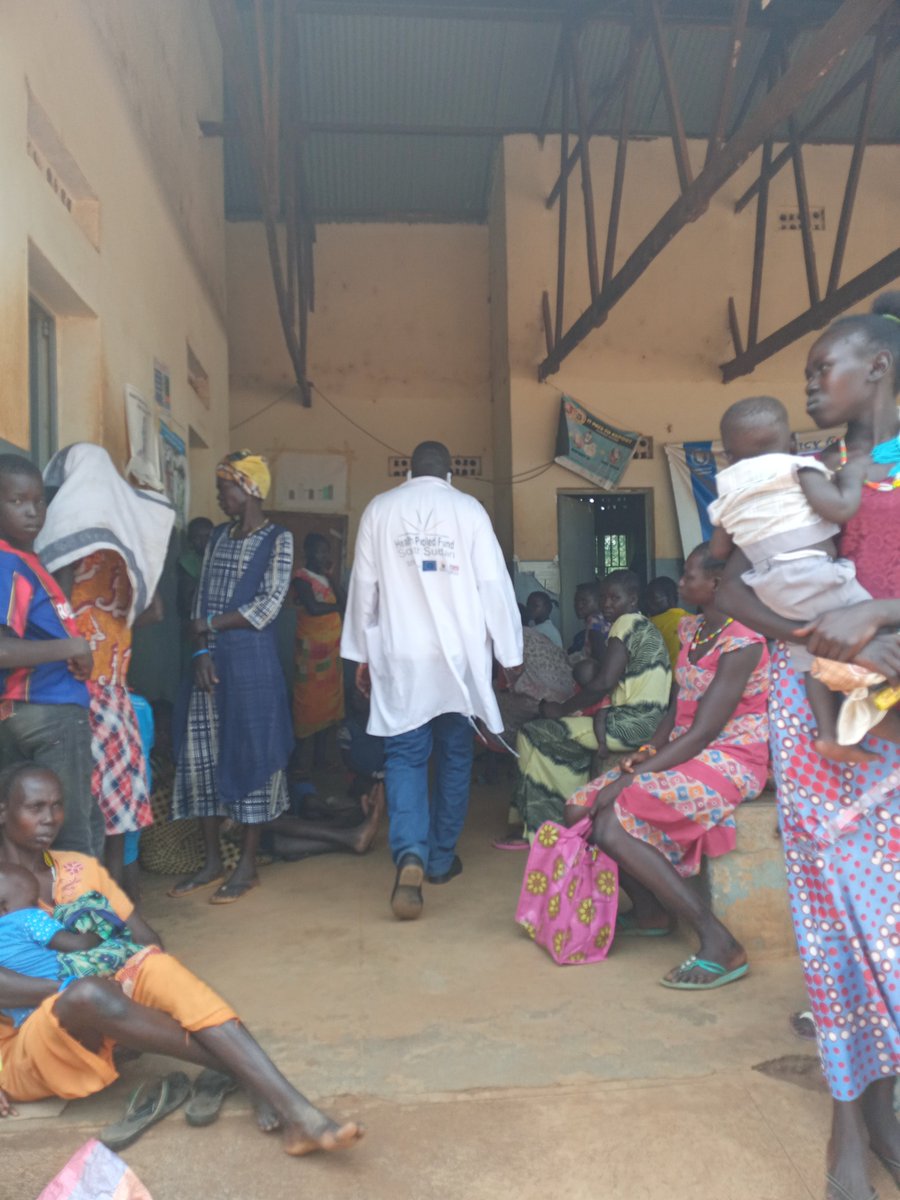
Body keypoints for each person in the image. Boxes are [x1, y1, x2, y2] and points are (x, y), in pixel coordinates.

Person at [716, 293, 900, 1200]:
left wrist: (877, 612)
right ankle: (850, 1123)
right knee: (832, 917)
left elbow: (875, 600)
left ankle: (880, 1109)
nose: (809, 387)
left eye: (821, 368)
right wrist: (805, 637)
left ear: (876, 367)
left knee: (890, 922)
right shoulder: (808, 471)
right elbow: (726, 584)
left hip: (895, 708)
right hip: (818, 708)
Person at [0, 762, 362, 1155]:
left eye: (56, 806)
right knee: (89, 994)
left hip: (103, 1009)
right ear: (4, 810)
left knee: (154, 963)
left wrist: (125, 975)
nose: (49, 818)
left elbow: (146, 940)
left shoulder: (78, 869)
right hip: (25, 1046)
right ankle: (251, 1077)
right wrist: (95, 985)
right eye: (34, 807)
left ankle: (300, 1114)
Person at [563, 546, 768, 985]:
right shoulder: (694, 629)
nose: (679, 583)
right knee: (578, 807)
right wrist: (649, 752)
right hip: (685, 747)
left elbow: (704, 732)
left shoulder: (744, 642)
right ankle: (653, 911)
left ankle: (719, 942)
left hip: (731, 757)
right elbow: (678, 710)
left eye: (689, 576)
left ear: (716, 584)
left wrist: (632, 779)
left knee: (610, 820)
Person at [341, 440, 522, 920]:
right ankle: (441, 860)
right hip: (459, 661)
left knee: (405, 756)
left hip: (401, 657)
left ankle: (411, 856)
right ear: (448, 476)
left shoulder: (380, 509)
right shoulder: (469, 510)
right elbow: (492, 584)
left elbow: (365, 587)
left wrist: (361, 655)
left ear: (407, 472)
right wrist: (509, 653)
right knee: (456, 754)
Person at [708, 395, 896, 764]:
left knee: (813, 658)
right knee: (881, 635)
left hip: (769, 588)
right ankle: (878, 712)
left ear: (729, 456)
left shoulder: (729, 488)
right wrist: (852, 478)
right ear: (793, 443)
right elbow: (839, 508)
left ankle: (828, 734)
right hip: (818, 574)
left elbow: (718, 551)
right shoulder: (800, 469)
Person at [36, 444, 173, 888]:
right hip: (117, 699)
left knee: (81, 820)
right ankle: (122, 917)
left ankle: (95, 917)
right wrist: (116, 620)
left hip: (77, 695)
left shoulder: (65, 542)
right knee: (118, 820)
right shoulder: (121, 546)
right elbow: (154, 611)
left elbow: (52, 612)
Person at [169, 452, 294, 905]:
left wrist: (209, 628)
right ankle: (211, 861)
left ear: (250, 489)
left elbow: (268, 604)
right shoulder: (219, 537)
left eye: (226, 487)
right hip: (210, 663)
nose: (221, 496)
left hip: (252, 666)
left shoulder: (279, 539)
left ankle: (247, 865)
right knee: (203, 756)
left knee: (255, 756)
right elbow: (200, 599)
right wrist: (201, 648)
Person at [513, 570, 671, 839]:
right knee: (554, 738)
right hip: (649, 722)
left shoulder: (625, 624)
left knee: (531, 734)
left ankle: (543, 827)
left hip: (630, 725)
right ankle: (552, 812)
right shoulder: (644, 625)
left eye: (614, 598)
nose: (607, 604)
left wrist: (560, 709)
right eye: (603, 598)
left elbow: (602, 683)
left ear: (632, 600)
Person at [0, 454, 97, 856]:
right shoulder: (7, 563)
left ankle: (35, 918)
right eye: (18, 501)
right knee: (72, 835)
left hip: (28, 712)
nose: (32, 511)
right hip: (48, 711)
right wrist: (73, 646)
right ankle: (83, 919)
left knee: (24, 842)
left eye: (39, 502)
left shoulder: (26, 562)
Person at [292, 533, 345, 771]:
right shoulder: (301, 578)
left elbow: (344, 600)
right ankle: (299, 761)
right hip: (311, 654)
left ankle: (320, 759)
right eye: (319, 551)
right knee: (308, 704)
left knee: (328, 707)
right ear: (308, 552)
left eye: (326, 552)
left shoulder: (325, 578)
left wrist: (332, 577)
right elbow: (313, 608)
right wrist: (337, 607)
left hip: (330, 654)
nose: (323, 556)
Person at [644, 576, 688, 671]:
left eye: (654, 598)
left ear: (669, 598)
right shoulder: (693, 619)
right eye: (646, 598)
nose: (648, 603)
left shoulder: (650, 624)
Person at [176, 517, 214, 626]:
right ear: (190, 540)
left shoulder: (217, 557)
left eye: (208, 536)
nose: (204, 541)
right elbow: (188, 602)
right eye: (198, 537)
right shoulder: (188, 561)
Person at [569, 580, 609, 660]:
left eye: (584, 601)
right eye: (576, 601)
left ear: (598, 602)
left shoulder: (594, 621)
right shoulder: (603, 618)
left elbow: (600, 656)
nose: (579, 606)